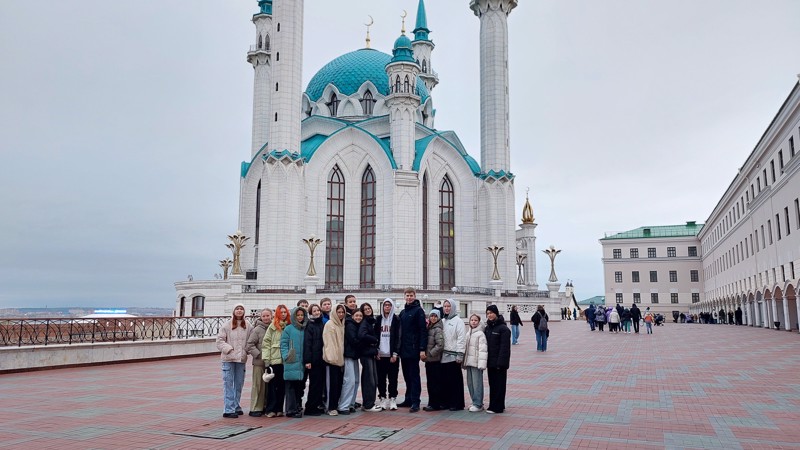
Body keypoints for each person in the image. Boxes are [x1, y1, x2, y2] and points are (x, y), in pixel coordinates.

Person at [216, 303, 250, 418]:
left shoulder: (248, 325)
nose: (239, 311)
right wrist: (229, 349)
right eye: (237, 309)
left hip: (241, 359)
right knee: (228, 383)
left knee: (239, 383)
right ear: (233, 311)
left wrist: (246, 351)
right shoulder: (227, 325)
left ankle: (236, 405)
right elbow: (219, 341)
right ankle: (228, 409)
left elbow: (251, 340)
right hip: (228, 359)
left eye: (241, 309)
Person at [397, 287, 427, 413]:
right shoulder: (403, 312)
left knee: (414, 376)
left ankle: (415, 401)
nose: (409, 297)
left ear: (415, 296)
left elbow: (422, 330)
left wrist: (422, 349)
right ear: (404, 296)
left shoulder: (418, 311)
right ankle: (408, 398)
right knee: (406, 376)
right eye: (407, 295)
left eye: (411, 295)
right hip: (404, 350)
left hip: (414, 349)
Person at [262, 304, 290, 417]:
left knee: (282, 386)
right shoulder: (273, 326)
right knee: (272, 386)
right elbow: (266, 343)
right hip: (274, 360)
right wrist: (266, 360)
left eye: (285, 312)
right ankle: (270, 409)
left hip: (285, 360)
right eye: (281, 312)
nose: (283, 314)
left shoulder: (289, 325)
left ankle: (279, 409)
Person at [440, 298, 466, 411]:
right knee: (445, 381)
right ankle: (447, 402)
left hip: (454, 355)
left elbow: (461, 338)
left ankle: (457, 403)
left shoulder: (458, 321)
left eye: (448, 306)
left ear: (453, 308)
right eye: (445, 306)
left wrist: (460, 354)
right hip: (443, 355)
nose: (446, 308)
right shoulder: (443, 321)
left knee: (455, 381)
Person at [245, 308, 272, 416]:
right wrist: (259, 355)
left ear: (271, 316)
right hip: (259, 363)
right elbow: (249, 345)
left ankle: (266, 406)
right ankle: (256, 408)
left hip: (270, 363)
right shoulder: (257, 330)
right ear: (261, 317)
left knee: (268, 387)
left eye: (268, 316)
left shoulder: (273, 328)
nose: (266, 318)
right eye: (264, 316)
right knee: (258, 386)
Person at [484, 305, 510, 414]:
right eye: (488, 313)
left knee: (499, 385)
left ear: (496, 313)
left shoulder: (503, 329)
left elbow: (505, 348)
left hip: (499, 363)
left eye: (491, 313)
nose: (489, 315)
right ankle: (493, 405)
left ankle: (498, 407)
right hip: (490, 361)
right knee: (493, 384)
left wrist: (501, 363)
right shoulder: (488, 327)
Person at [281, 307, 307, 418]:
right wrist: (286, 356)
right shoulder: (289, 329)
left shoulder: (305, 328)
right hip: (291, 361)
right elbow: (283, 344)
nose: (300, 317)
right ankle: (290, 410)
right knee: (290, 387)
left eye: (302, 315)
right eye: (298, 315)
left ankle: (297, 407)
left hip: (301, 363)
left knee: (299, 387)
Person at [375, 298, 400, 411]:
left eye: (389, 305)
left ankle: (393, 399)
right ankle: (383, 398)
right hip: (381, 355)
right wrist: (376, 351)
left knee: (393, 378)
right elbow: (375, 336)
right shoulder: (378, 319)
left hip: (392, 355)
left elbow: (399, 337)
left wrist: (395, 353)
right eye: (385, 305)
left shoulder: (396, 319)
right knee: (381, 379)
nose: (387, 307)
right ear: (382, 307)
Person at [358, 303, 383, 412]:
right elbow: (362, 335)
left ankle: (369, 403)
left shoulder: (370, 321)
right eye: (365, 309)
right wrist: (375, 340)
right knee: (370, 380)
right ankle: (368, 404)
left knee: (372, 378)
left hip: (370, 353)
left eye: (369, 308)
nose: (368, 310)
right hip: (366, 354)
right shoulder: (364, 322)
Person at [322, 304, 346, 415]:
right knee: (331, 384)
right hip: (332, 360)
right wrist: (333, 358)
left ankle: (335, 405)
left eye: (342, 312)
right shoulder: (330, 324)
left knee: (338, 384)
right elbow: (329, 344)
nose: (341, 314)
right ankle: (330, 407)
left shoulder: (342, 324)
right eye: (339, 312)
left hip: (341, 360)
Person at [338, 308, 362, 414]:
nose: (358, 318)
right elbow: (353, 340)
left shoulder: (356, 325)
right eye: (356, 315)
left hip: (354, 356)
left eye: (360, 316)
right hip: (348, 356)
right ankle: (343, 406)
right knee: (350, 381)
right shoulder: (350, 325)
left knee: (356, 380)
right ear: (352, 316)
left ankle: (351, 404)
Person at [303, 304, 325, 416]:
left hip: (322, 359)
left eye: (318, 310)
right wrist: (308, 361)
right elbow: (307, 343)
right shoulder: (310, 325)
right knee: (314, 384)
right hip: (313, 360)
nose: (316, 312)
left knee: (320, 384)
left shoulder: (322, 323)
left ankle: (316, 405)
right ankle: (310, 407)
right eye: (314, 311)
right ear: (311, 313)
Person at [462, 314, 487, 412]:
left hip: (476, 363)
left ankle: (478, 403)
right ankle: (474, 401)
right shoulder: (468, 333)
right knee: (470, 383)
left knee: (477, 384)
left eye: (475, 320)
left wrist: (481, 364)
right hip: (469, 362)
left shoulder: (480, 334)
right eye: (472, 320)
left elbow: (483, 350)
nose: (473, 322)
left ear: (479, 322)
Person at [423, 309, 444, 411]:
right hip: (429, 361)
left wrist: (430, 354)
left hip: (435, 361)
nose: (433, 318)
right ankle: (431, 403)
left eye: (435, 316)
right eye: (432, 316)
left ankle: (435, 404)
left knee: (435, 384)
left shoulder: (438, 329)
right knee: (430, 383)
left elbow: (440, 345)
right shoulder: (429, 328)